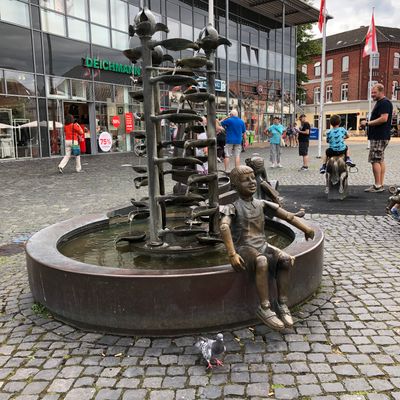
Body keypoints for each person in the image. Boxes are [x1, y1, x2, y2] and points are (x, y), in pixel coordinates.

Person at [220, 165, 315, 330]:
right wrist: (232, 254)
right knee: (262, 261)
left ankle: (282, 303)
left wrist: (306, 229)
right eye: (245, 180)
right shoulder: (232, 207)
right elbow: (224, 227)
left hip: (262, 245)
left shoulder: (261, 204)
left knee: (286, 260)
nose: (252, 182)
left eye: (252, 178)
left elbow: (288, 216)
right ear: (235, 186)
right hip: (245, 247)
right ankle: (264, 307)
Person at [364, 83, 393, 192]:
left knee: (375, 160)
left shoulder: (384, 103)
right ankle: (380, 184)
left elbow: (384, 118)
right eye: (371, 92)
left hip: (379, 136)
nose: (372, 94)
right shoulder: (382, 102)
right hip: (381, 136)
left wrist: (368, 123)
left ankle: (377, 185)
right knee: (380, 160)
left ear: (381, 91)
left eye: (374, 92)